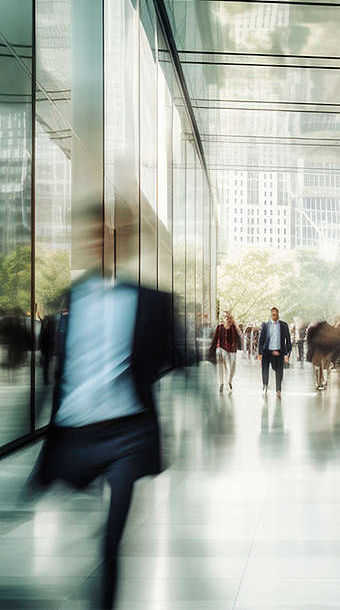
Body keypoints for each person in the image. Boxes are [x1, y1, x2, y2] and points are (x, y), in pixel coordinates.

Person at [23, 203, 179, 609]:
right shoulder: (69, 300)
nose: (97, 241)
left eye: (106, 234)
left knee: (112, 540)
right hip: (78, 429)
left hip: (128, 431)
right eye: (90, 235)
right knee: (80, 504)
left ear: (120, 244)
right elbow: (61, 372)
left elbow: (176, 355)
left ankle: (105, 595)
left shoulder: (153, 301)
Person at [258, 307, 291, 398]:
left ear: (278, 314)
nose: (274, 316)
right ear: (270, 314)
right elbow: (261, 340)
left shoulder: (284, 325)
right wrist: (260, 353)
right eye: (272, 314)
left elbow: (288, 340)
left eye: (276, 314)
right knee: (265, 369)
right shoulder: (265, 325)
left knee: (279, 371)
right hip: (267, 351)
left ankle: (278, 390)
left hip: (279, 352)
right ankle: (265, 386)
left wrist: (287, 354)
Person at [210, 310, 242, 394]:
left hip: (232, 349)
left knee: (232, 365)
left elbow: (239, 338)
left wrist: (240, 347)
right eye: (225, 317)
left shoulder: (234, 327)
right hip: (221, 348)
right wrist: (212, 350)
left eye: (228, 317)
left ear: (231, 318)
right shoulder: (219, 327)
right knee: (220, 362)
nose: (227, 318)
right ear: (223, 318)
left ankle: (230, 381)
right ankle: (221, 383)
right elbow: (215, 339)